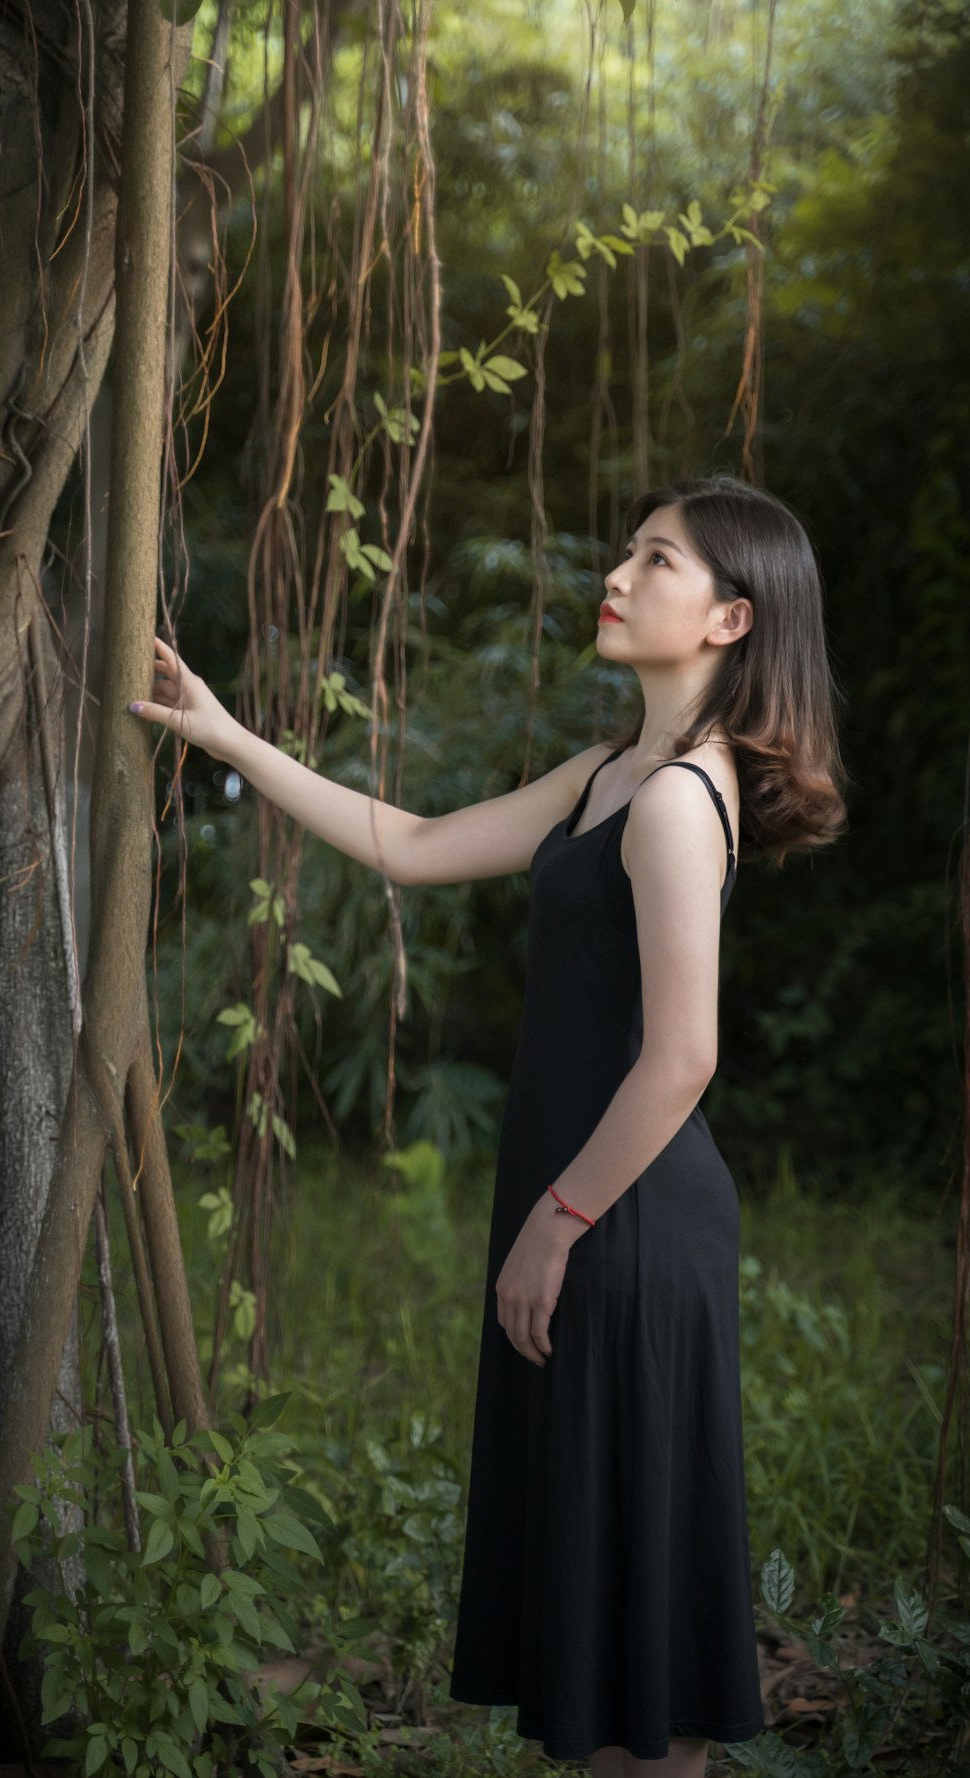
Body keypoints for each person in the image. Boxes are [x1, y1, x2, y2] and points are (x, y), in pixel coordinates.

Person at [128, 471, 847, 1776]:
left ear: (734, 620)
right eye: (626, 551)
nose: (618, 576)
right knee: (602, 1627)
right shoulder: (608, 773)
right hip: (593, 1213)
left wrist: (557, 1222)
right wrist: (229, 738)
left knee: (645, 1655)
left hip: (627, 1227)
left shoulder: (684, 797)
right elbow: (408, 843)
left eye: (657, 560)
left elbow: (685, 1054)